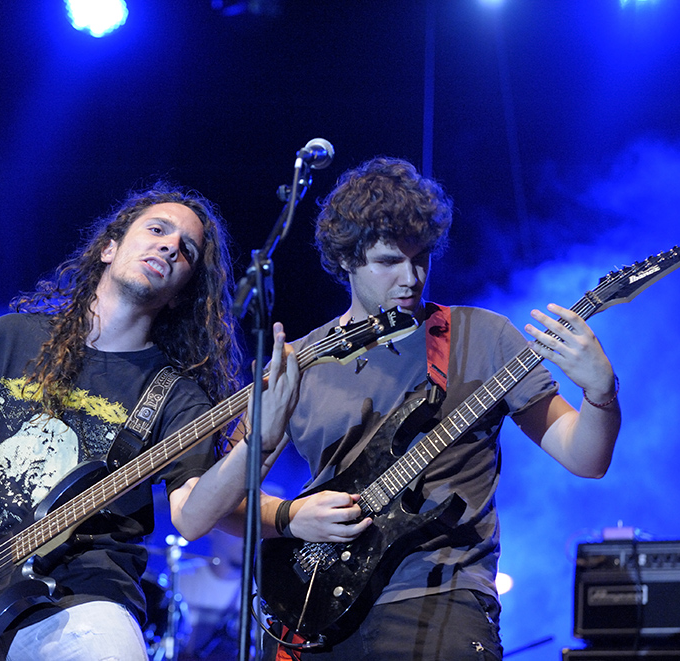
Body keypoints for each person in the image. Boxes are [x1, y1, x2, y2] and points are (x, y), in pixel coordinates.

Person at [256, 157, 621, 660]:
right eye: (389, 261)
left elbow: (586, 458)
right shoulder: (303, 361)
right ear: (345, 259)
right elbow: (222, 501)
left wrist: (601, 390)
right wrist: (290, 515)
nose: (411, 278)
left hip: (441, 596)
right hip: (317, 611)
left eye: (421, 257)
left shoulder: (483, 335)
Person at [0, 181, 299, 661]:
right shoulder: (10, 337)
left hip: (87, 600)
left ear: (178, 295)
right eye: (157, 230)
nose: (170, 246)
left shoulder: (177, 397)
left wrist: (257, 444)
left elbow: (191, 517)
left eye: (186, 250)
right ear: (108, 248)